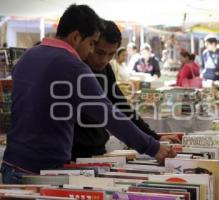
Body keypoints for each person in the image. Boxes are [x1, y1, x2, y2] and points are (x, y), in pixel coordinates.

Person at [1, 4, 174, 184]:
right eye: (91, 43)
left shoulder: (27, 57)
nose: (91, 51)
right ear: (76, 37)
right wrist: (153, 147)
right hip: (41, 172)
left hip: (11, 164)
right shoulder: (73, 66)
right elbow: (110, 115)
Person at [72, 20, 180, 160]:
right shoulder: (76, 69)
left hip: (96, 151)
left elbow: (122, 107)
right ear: (90, 44)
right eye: (100, 52)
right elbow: (112, 116)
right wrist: (152, 145)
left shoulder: (106, 69)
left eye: (111, 54)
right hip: (73, 154)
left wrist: (154, 137)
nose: (104, 59)